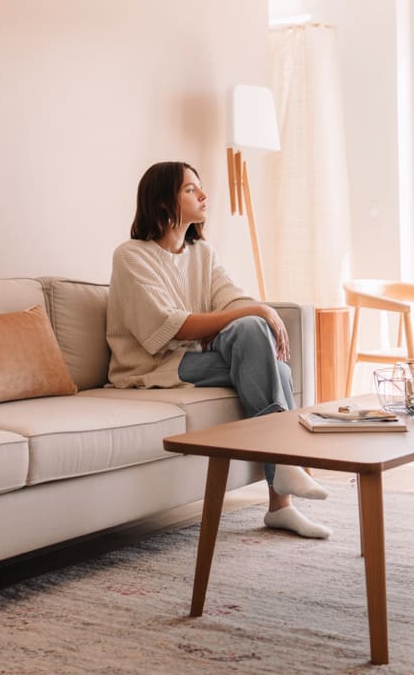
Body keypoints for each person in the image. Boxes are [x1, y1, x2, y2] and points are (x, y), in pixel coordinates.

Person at [106, 161, 331, 539]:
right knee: (282, 372)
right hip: (153, 366)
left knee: (250, 328)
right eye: (191, 189)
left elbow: (230, 299)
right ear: (163, 202)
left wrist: (257, 311)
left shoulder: (202, 254)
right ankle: (283, 489)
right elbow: (169, 326)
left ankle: (281, 497)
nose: (203, 195)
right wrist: (255, 310)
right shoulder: (130, 256)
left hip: (198, 357)